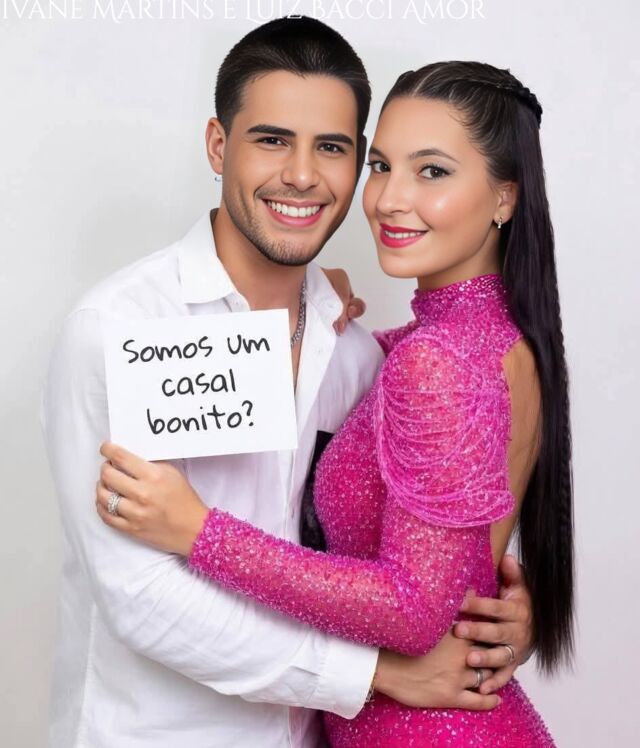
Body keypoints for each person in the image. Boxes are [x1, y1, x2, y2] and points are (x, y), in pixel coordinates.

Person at [43, 17, 535, 748]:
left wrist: (500, 616)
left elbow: (407, 551)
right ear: (219, 146)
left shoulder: (358, 356)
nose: (302, 175)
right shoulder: (118, 329)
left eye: (331, 148)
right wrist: (375, 673)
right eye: (272, 139)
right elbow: (141, 598)